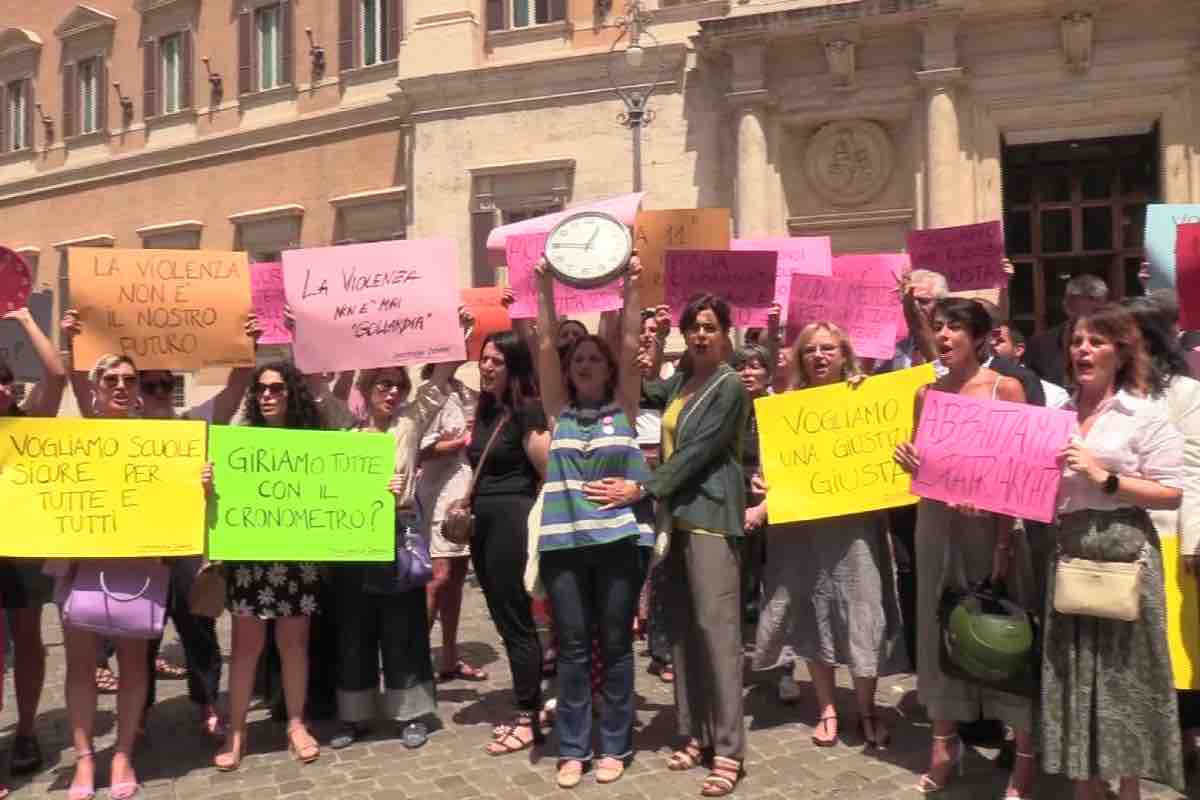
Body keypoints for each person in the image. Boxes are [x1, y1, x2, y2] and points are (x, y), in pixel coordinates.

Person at [893, 298, 1037, 798]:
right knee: (939, 629)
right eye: (938, 327)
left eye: (955, 327)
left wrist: (1001, 540)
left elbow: (1023, 471)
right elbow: (924, 464)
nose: (945, 335)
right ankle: (943, 745)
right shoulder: (925, 393)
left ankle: (1022, 757)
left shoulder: (1008, 389)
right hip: (937, 525)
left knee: (1004, 633)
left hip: (993, 527)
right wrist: (909, 459)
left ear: (979, 338)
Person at [1041, 303, 1185, 798]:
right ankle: (1086, 783)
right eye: (1078, 341)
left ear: (1120, 353)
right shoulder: (1054, 415)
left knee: (1126, 679)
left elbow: (1172, 490)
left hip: (1125, 558)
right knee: (1076, 672)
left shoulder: (1143, 415)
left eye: (1096, 342)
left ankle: (1128, 788)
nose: (1083, 349)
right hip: (1069, 552)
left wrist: (1104, 477)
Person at [754, 322, 907, 749]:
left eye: (829, 349)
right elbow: (769, 470)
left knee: (862, 608)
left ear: (844, 355)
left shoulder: (866, 396)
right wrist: (761, 485)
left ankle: (868, 708)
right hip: (802, 529)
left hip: (856, 530)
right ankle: (827, 707)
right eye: (810, 351)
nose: (819, 356)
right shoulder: (785, 407)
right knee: (814, 609)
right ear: (799, 359)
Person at [532, 257, 647, 788]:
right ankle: (574, 748)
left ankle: (616, 745)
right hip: (564, 546)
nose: (583, 363)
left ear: (608, 369)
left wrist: (633, 284)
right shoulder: (558, 411)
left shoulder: (623, 407)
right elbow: (542, 344)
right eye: (575, 358)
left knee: (616, 643)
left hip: (618, 542)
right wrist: (543, 287)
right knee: (574, 649)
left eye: (592, 358)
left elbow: (627, 340)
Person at [641, 293, 750, 798]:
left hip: (709, 516)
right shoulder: (682, 382)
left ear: (726, 332)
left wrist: (645, 487)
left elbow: (700, 452)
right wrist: (638, 333)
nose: (702, 335)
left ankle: (728, 748)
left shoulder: (729, 387)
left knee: (717, 631)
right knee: (682, 630)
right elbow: (638, 389)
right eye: (694, 328)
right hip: (676, 519)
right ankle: (693, 731)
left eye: (710, 326)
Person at [204, 362, 324, 771]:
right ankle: (237, 732)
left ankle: (295, 723)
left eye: (276, 388)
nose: (267, 395)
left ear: (292, 392)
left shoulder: (313, 441)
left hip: (296, 557)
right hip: (251, 557)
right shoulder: (239, 441)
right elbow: (218, 495)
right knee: (244, 649)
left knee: (294, 645)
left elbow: (338, 487)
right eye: (261, 389)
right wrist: (209, 483)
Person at [55, 355, 160, 800]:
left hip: (135, 566)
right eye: (111, 379)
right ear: (95, 386)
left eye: (129, 379)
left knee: (135, 667)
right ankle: (84, 760)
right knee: (81, 668)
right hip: (81, 562)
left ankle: (121, 754)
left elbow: (170, 500)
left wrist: (200, 483)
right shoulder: (72, 439)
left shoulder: (159, 442)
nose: (121, 386)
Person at [329, 366, 438, 750]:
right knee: (354, 631)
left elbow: (438, 382)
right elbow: (318, 397)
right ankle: (355, 715)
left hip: (396, 536)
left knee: (403, 629)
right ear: (366, 388)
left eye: (399, 386)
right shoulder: (345, 432)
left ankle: (411, 713)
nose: (391, 392)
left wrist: (456, 338)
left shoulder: (408, 425)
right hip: (352, 542)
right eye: (383, 384)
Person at [1124, 295, 1200, 770]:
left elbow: (1195, 471)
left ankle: (1188, 736)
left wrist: (1195, 540)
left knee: (1181, 648)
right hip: (1122, 540)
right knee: (1138, 649)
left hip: (1174, 536)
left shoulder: (1187, 395)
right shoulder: (1111, 394)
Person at [470, 331, 552, 756]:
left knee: (516, 619)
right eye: (484, 359)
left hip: (510, 523)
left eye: (496, 361)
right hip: (482, 525)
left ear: (514, 366)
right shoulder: (485, 408)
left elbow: (550, 469)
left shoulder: (526, 410)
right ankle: (530, 702)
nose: (486, 366)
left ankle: (528, 714)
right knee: (503, 617)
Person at [0, 306, 66, 781]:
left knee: (28, 642)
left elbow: (58, 376)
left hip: (22, 551)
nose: (2, 389)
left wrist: (24, 319)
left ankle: (25, 730)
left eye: (5, 381)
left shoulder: (29, 425)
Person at [416, 361, 488, 683]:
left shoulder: (461, 391)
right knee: (438, 576)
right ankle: (413, 659)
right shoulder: (425, 396)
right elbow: (416, 450)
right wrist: (458, 443)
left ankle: (448, 656)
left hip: (461, 492)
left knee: (456, 576)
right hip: (436, 493)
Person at [1024, 274, 1108, 386]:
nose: (1084, 348)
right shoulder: (1040, 345)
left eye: (1094, 314)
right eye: (1079, 315)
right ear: (1066, 306)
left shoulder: (1116, 342)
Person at [989, 323, 1070, 408]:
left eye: (1000, 341)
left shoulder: (1054, 395)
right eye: (990, 340)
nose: (992, 344)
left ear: (1018, 350)